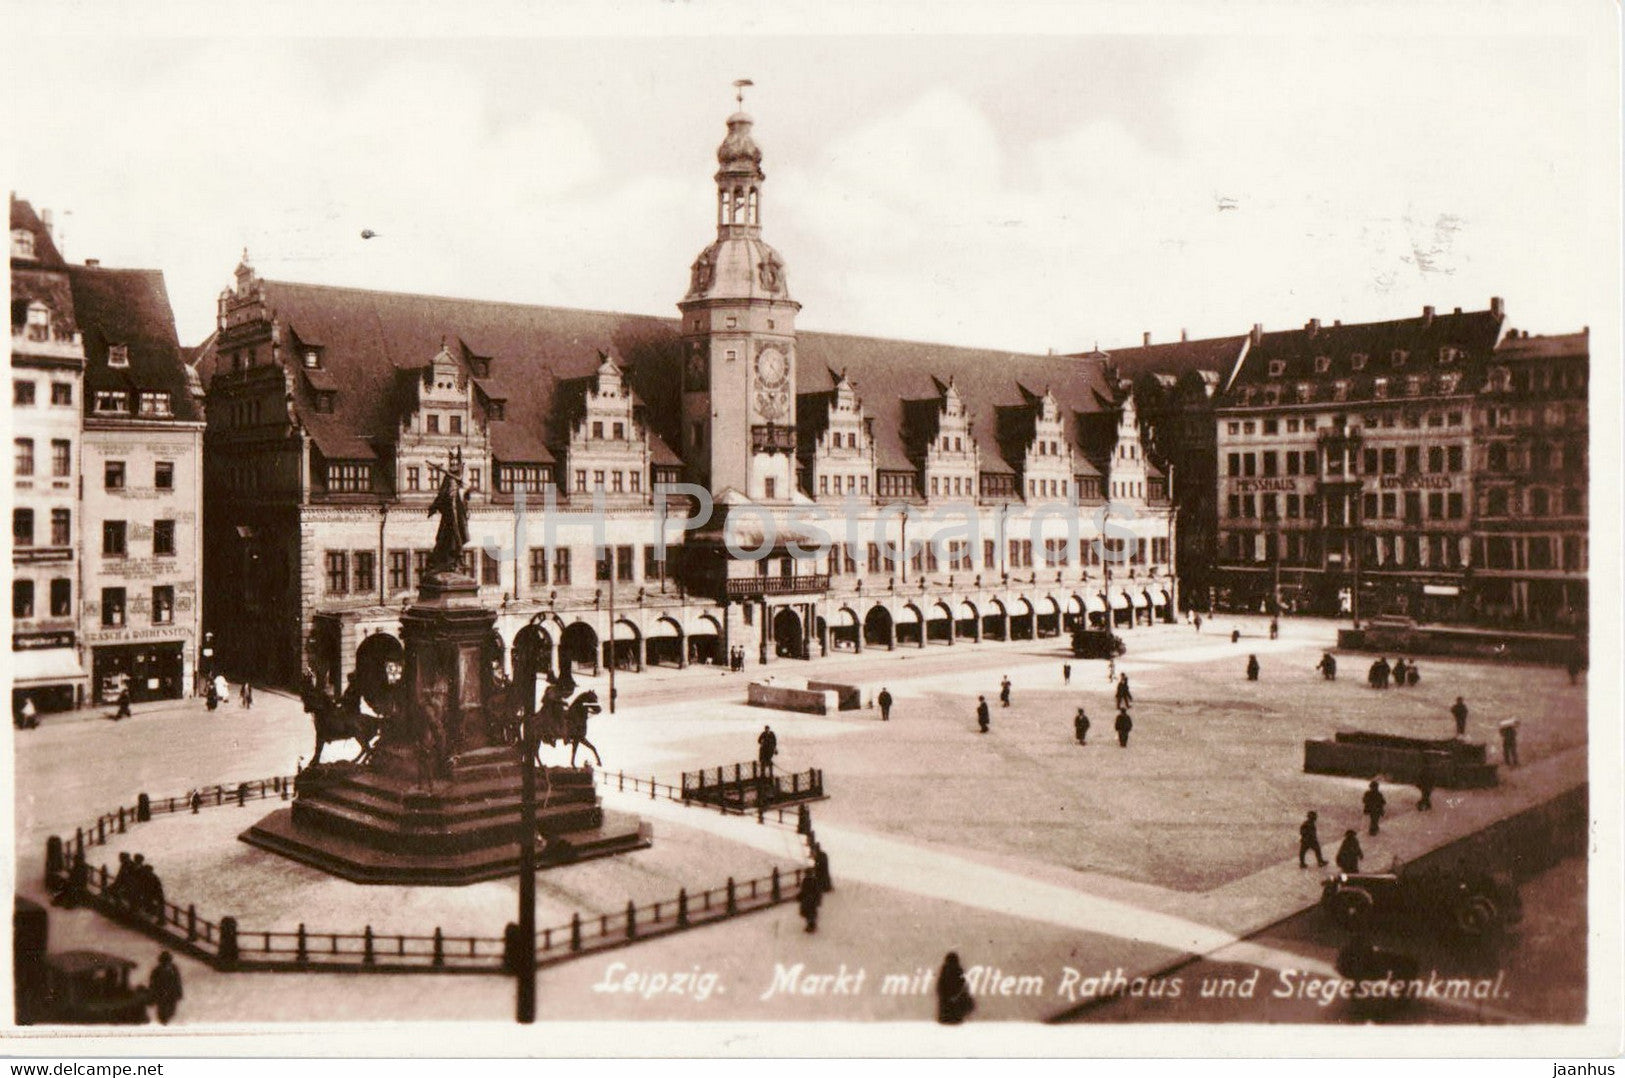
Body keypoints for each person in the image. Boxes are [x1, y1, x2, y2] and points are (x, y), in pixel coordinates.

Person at [936, 952, 975, 1025]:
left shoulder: (944, 970)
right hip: (956, 1000)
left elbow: (940, 986)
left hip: (946, 1002)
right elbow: (962, 985)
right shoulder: (958, 970)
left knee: (947, 1012)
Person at [148, 951, 183, 1025]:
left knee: (170, 1010)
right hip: (161, 994)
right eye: (164, 961)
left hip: (171, 995)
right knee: (163, 1009)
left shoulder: (173, 969)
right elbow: (152, 983)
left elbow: (177, 981)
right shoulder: (157, 970)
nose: (165, 963)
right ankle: (164, 1020)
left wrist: (178, 993)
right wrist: (152, 995)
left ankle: (166, 1019)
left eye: (166, 961)